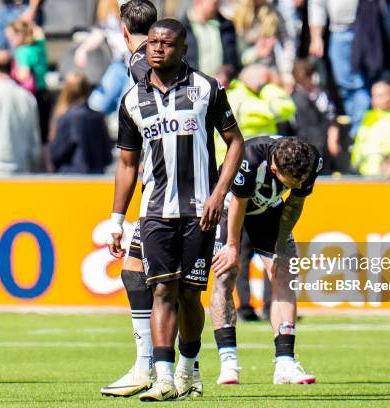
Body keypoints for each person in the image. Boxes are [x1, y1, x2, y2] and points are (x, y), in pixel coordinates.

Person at [109, 19, 244, 401]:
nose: (156, 49)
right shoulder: (132, 100)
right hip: (154, 212)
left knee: (189, 295)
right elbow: (127, 165)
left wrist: (219, 194)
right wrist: (117, 221)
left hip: (201, 210)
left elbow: (236, 143)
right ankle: (164, 378)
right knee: (162, 290)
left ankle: (189, 367)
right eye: (151, 42)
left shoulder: (206, 89)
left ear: (183, 49)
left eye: (166, 44)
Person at [212, 136, 319, 385]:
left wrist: (282, 244)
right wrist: (231, 246)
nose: (299, 184)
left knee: (285, 274)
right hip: (230, 209)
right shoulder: (249, 159)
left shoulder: (311, 160)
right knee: (225, 275)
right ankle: (228, 363)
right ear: (274, 169)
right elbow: (238, 202)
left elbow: (295, 203)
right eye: (291, 182)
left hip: (269, 211)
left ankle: (285, 363)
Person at [99, 0, 158, 398]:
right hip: (190, 182)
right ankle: (183, 370)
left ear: (123, 30)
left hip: (164, 190)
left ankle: (149, 367)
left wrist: (117, 218)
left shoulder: (141, 68)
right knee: (175, 287)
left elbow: (130, 157)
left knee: (141, 274)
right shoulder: (181, 67)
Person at [308, 0, 370, 137]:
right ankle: (357, 131)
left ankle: (359, 132)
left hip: (366, 27)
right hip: (338, 30)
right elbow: (317, 5)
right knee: (345, 85)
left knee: (360, 85)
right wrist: (316, 37)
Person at [73, 0, 130, 115]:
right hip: (119, 64)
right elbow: (100, 32)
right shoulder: (107, 5)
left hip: (137, 65)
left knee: (126, 108)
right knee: (96, 104)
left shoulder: (138, 5)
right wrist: (82, 50)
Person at [47, 72, 112, 174]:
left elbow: (55, 154)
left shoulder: (66, 118)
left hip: (72, 179)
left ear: (66, 91)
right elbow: (108, 157)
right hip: (97, 179)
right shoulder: (98, 118)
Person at [350, 80, 390, 176]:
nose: (374, 100)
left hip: (387, 177)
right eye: (373, 96)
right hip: (361, 174)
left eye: (380, 96)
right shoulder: (367, 116)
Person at [233, 0, 296, 89]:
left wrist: (286, 71)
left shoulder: (274, 13)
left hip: (271, 72)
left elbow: (287, 43)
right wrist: (256, 52)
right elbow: (237, 55)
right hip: (246, 73)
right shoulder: (239, 15)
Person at [5, 19, 50, 142]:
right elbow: (39, 32)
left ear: (20, 35)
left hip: (31, 96)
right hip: (44, 94)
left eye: (11, 37)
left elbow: (23, 75)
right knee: (43, 136)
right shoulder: (38, 45)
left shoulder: (22, 51)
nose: (9, 40)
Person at [181, 0, 238, 77]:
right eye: (214, 3)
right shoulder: (180, 28)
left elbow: (233, 59)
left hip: (221, 85)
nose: (217, 6)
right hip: (190, 85)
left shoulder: (227, 26)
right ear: (198, 1)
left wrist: (226, 73)